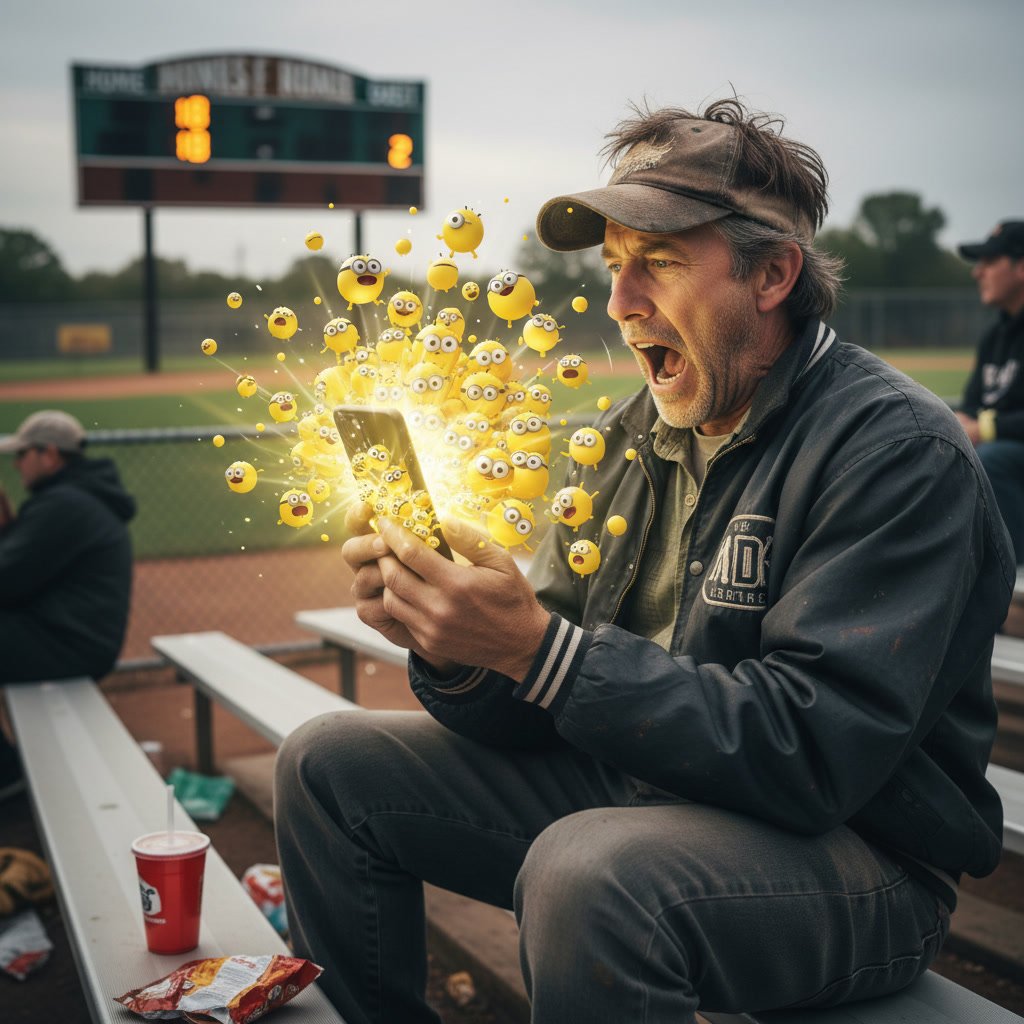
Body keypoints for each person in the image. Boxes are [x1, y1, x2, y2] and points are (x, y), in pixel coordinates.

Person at [275, 100, 1014, 1024]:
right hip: (641, 795)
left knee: (589, 874)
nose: (621, 302)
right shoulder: (628, 437)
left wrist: (544, 652)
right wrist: (463, 647)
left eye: (659, 263)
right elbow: (532, 701)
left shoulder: (895, 449)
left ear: (774, 274)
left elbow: (816, 758)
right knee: (325, 763)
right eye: (615, 264)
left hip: (858, 857)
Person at [0, 410, 136, 799]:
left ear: (50, 455)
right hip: (63, 632)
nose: (16, 463)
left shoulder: (65, 505)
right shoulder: (70, 498)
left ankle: (6, 774)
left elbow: (7, 582)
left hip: (69, 642)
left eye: (22, 453)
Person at [955, 221, 1024, 563]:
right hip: (998, 452)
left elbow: (982, 424)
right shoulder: (995, 337)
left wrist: (984, 429)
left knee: (991, 459)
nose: (977, 272)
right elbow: (969, 406)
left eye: (990, 261)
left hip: (1007, 457)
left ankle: (1013, 576)